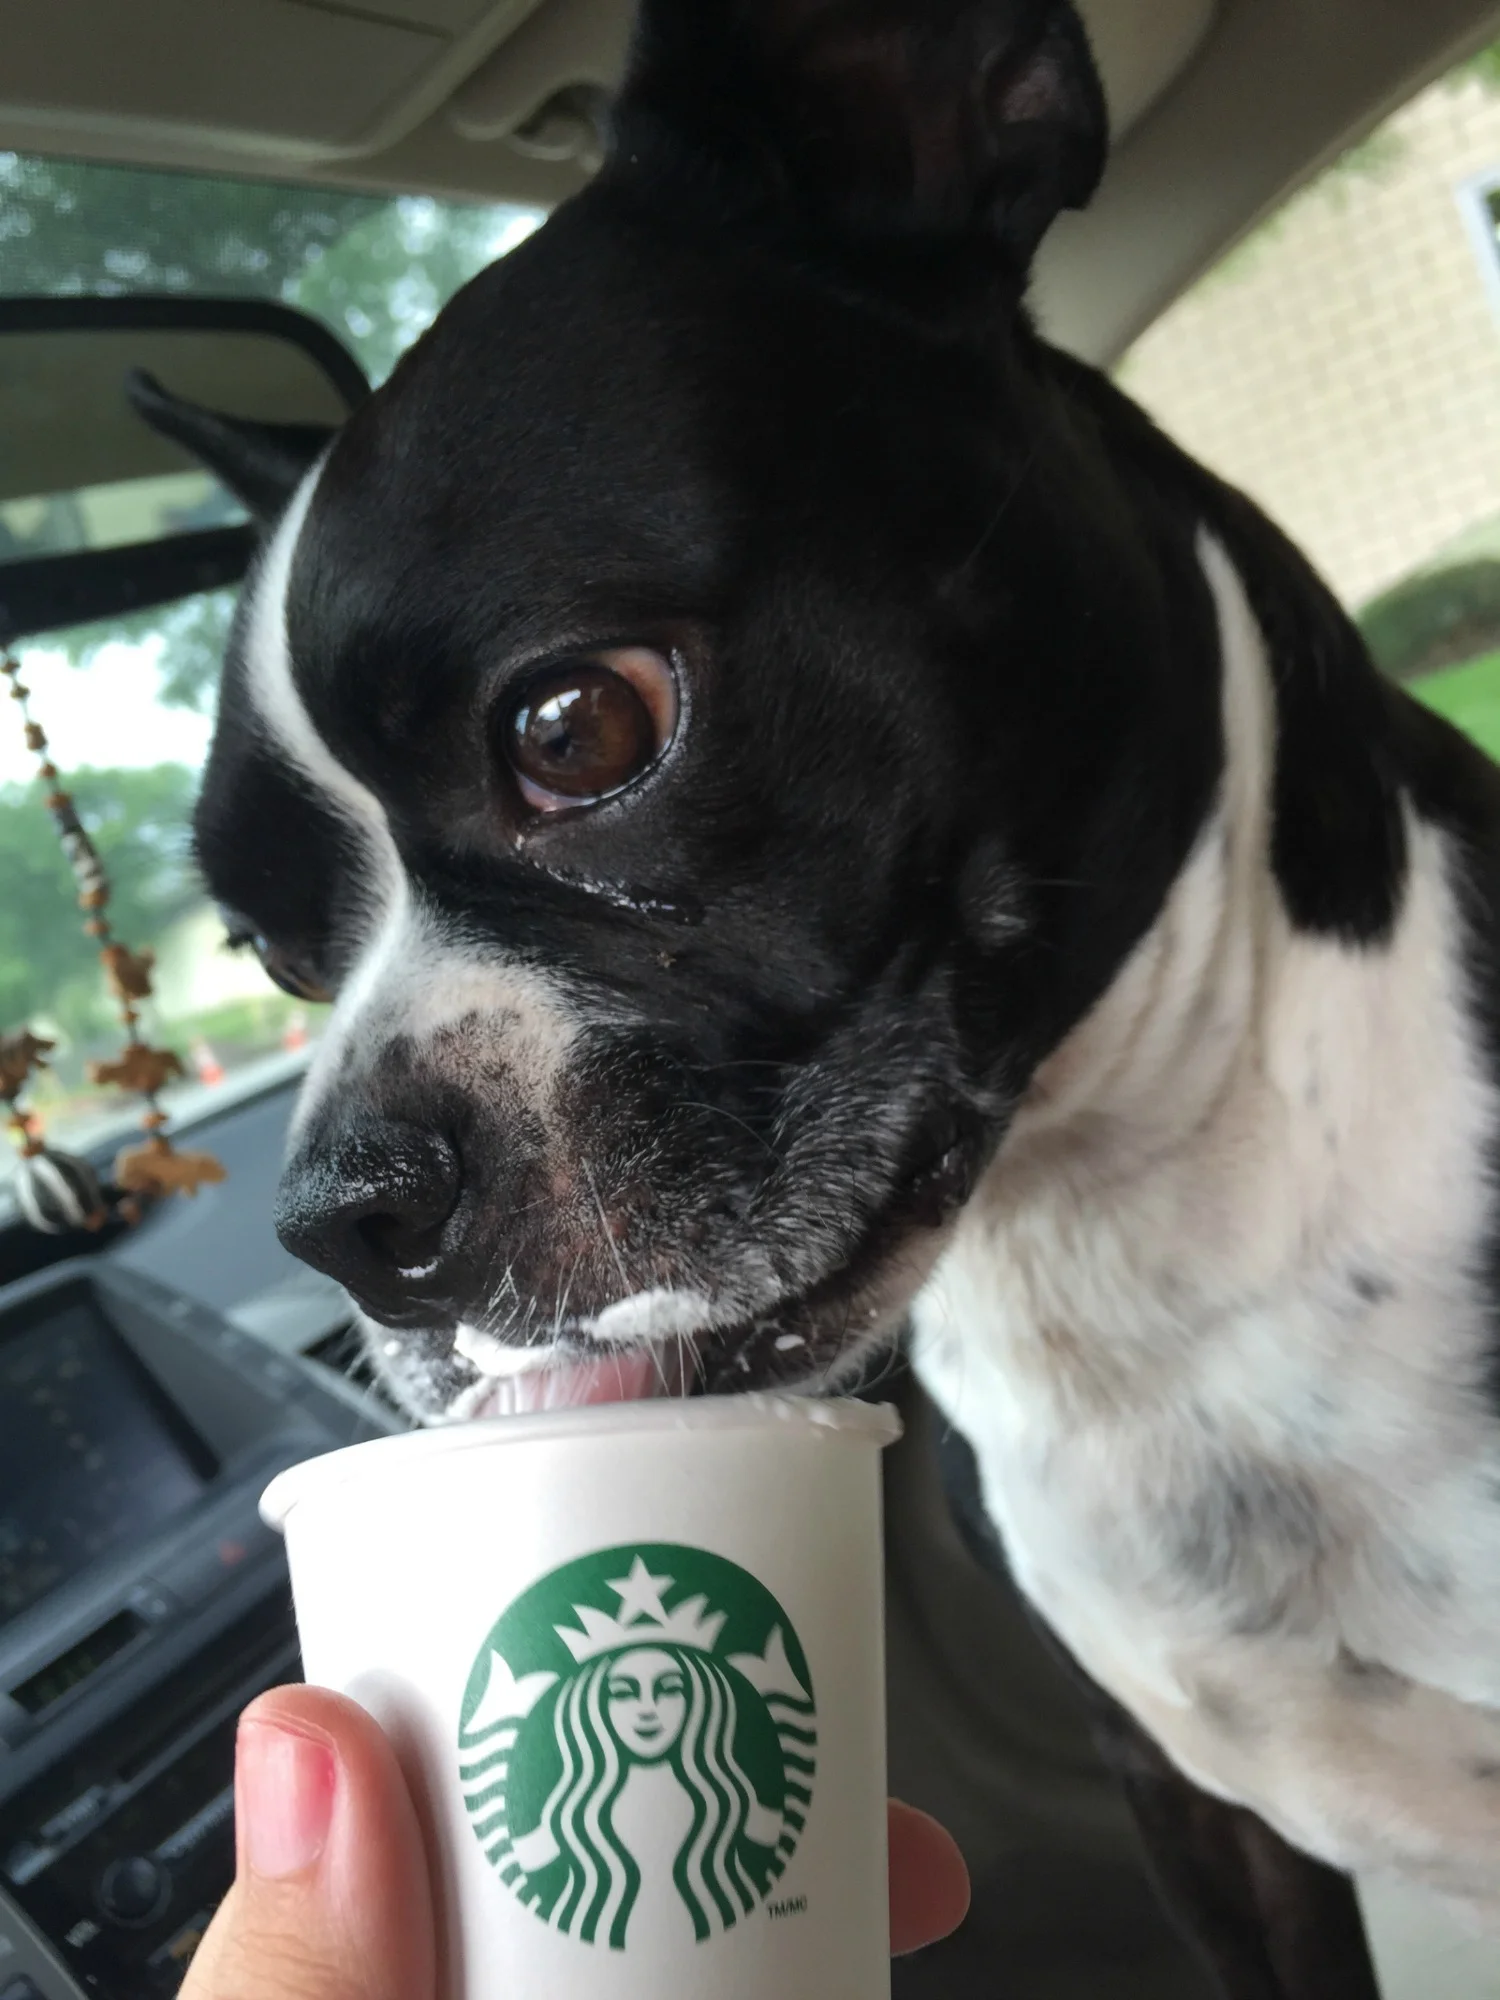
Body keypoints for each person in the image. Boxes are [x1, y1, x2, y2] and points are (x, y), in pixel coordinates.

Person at [183, 1686, 972, 2000]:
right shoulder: (578, 1826)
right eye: (623, 1690)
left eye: (669, 1687)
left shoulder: (723, 1814)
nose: (648, 1709)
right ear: (588, 1712)